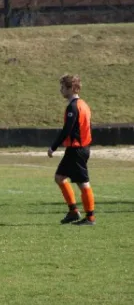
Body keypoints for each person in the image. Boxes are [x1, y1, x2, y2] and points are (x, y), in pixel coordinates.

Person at [47, 74, 96, 226]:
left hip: (77, 149)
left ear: (71, 88)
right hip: (78, 149)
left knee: (83, 183)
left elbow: (67, 129)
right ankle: (73, 211)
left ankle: (90, 218)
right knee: (60, 177)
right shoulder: (83, 104)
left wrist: (53, 147)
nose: (60, 90)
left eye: (63, 87)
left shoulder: (73, 106)